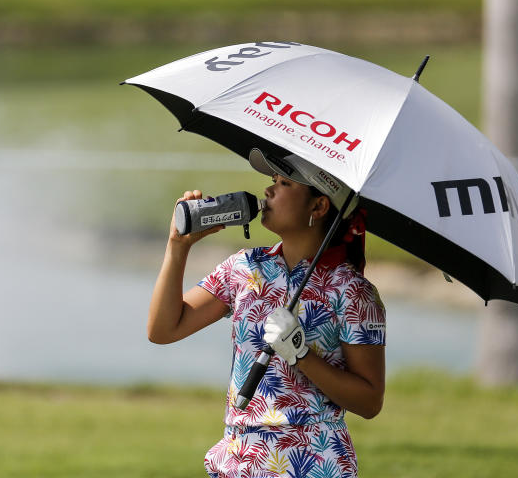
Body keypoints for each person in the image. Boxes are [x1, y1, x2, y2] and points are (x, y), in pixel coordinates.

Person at [147, 149, 386, 478]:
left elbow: (370, 401)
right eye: (272, 180)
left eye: (285, 183)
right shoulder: (244, 267)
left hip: (314, 464)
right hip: (239, 460)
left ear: (318, 206)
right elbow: (163, 330)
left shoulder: (353, 291)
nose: (269, 190)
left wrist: (301, 354)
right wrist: (178, 246)